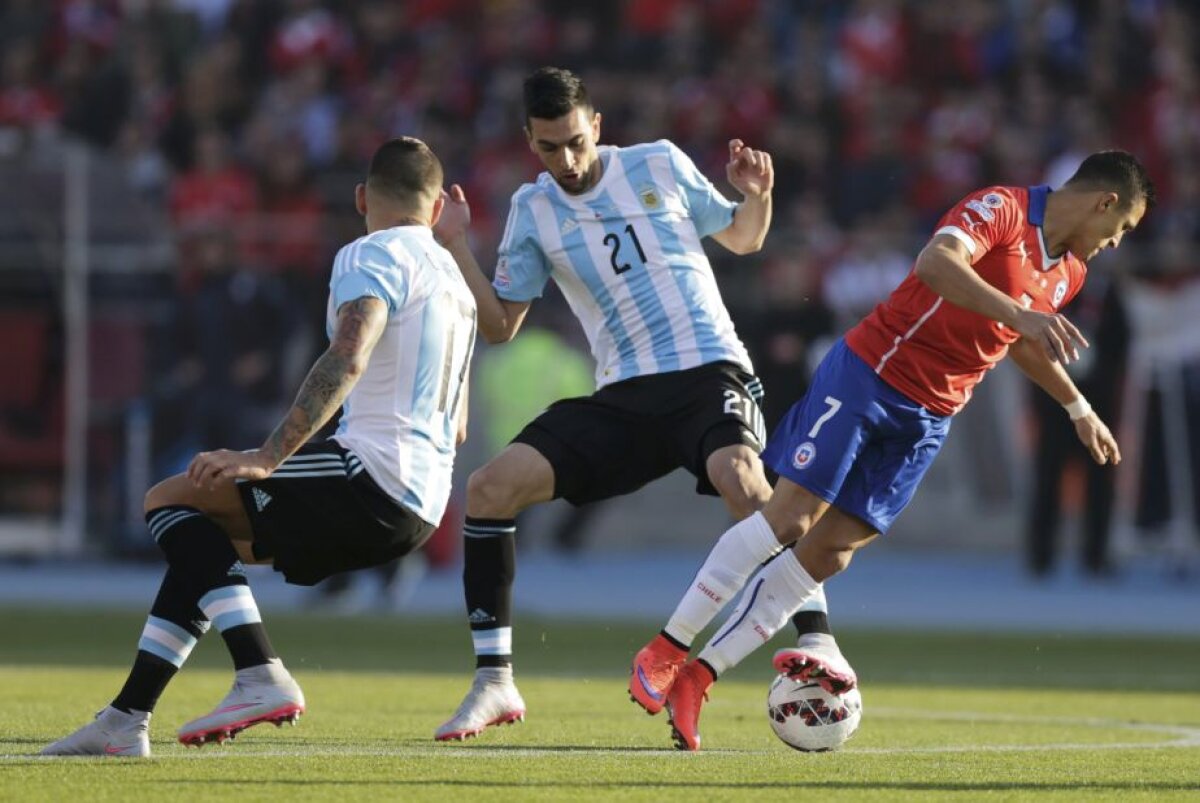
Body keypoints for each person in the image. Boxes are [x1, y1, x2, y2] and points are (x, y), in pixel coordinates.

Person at [631, 150, 1154, 751]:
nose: (1117, 243)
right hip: (871, 374)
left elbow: (1022, 338)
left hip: (932, 416)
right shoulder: (1005, 208)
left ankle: (700, 677)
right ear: (1104, 202)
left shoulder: (1072, 272)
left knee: (829, 555)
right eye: (1123, 229)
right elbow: (937, 263)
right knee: (792, 518)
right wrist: (1019, 314)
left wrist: (1077, 407)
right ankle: (666, 649)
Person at [42, 137, 478, 757]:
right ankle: (124, 719)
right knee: (206, 543)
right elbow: (458, 425)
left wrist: (269, 456)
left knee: (170, 500)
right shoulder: (456, 286)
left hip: (374, 477)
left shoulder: (371, 252)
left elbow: (349, 353)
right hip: (424, 507)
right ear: (437, 210)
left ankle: (259, 672)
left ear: (361, 198)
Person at [431, 66, 809, 741]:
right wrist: (457, 245)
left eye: (576, 141)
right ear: (530, 141)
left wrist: (758, 195)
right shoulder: (533, 210)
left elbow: (745, 237)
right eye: (550, 147)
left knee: (747, 485)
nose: (568, 160)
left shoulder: (658, 163)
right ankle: (494, 683)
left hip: (706, 371)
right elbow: (500, 326)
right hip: (625, 394)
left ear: (597, 126)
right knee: (488, 489)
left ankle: (816, 644)